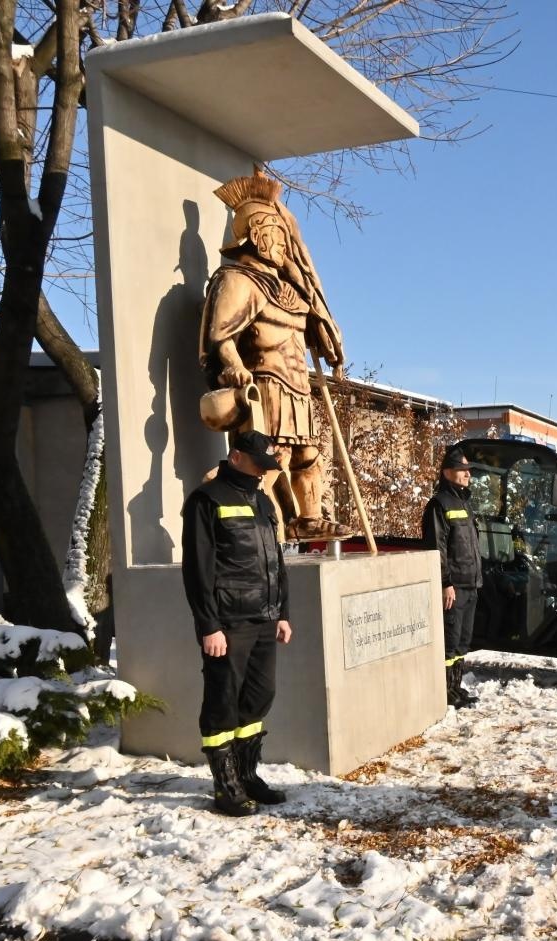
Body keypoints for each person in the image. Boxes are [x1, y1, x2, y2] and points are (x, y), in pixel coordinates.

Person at [201, 173, 346, 540]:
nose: (281, 241)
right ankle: (257, 523)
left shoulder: (292, 288)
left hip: (299, 386)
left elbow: (310, 333)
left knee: (308, 458)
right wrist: (234, 366)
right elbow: (222, 336)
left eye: (282, 233)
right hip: (266, 384)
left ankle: (307, 519)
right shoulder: (238, 280)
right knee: (271, 458)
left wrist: (322, 327)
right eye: (272, 232)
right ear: (253, 234)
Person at [181, 430, 293, 817]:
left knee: (260, 696)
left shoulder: (262, 502)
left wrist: (283, 613)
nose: (263, 472)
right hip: (228, 622)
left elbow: (276, 562)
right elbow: (197, 569)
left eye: (268, 467)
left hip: (264, 618)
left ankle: (247, 775)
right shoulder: (206, 499)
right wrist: (208, 626)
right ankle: (225, 786)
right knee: (222, 702)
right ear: (236, 457)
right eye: (259, 464)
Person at [424, 446, 482, 707]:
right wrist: (445, 582)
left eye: (469, 471)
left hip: (471, 585)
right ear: (448, 472)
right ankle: (445, 691)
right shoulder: (439, 504)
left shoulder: (464, 502)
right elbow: (438, 547)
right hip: (454, 587)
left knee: (463, 641)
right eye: (463, 470)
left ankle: (456, 688)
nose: (468, 475)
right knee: (450, 641)